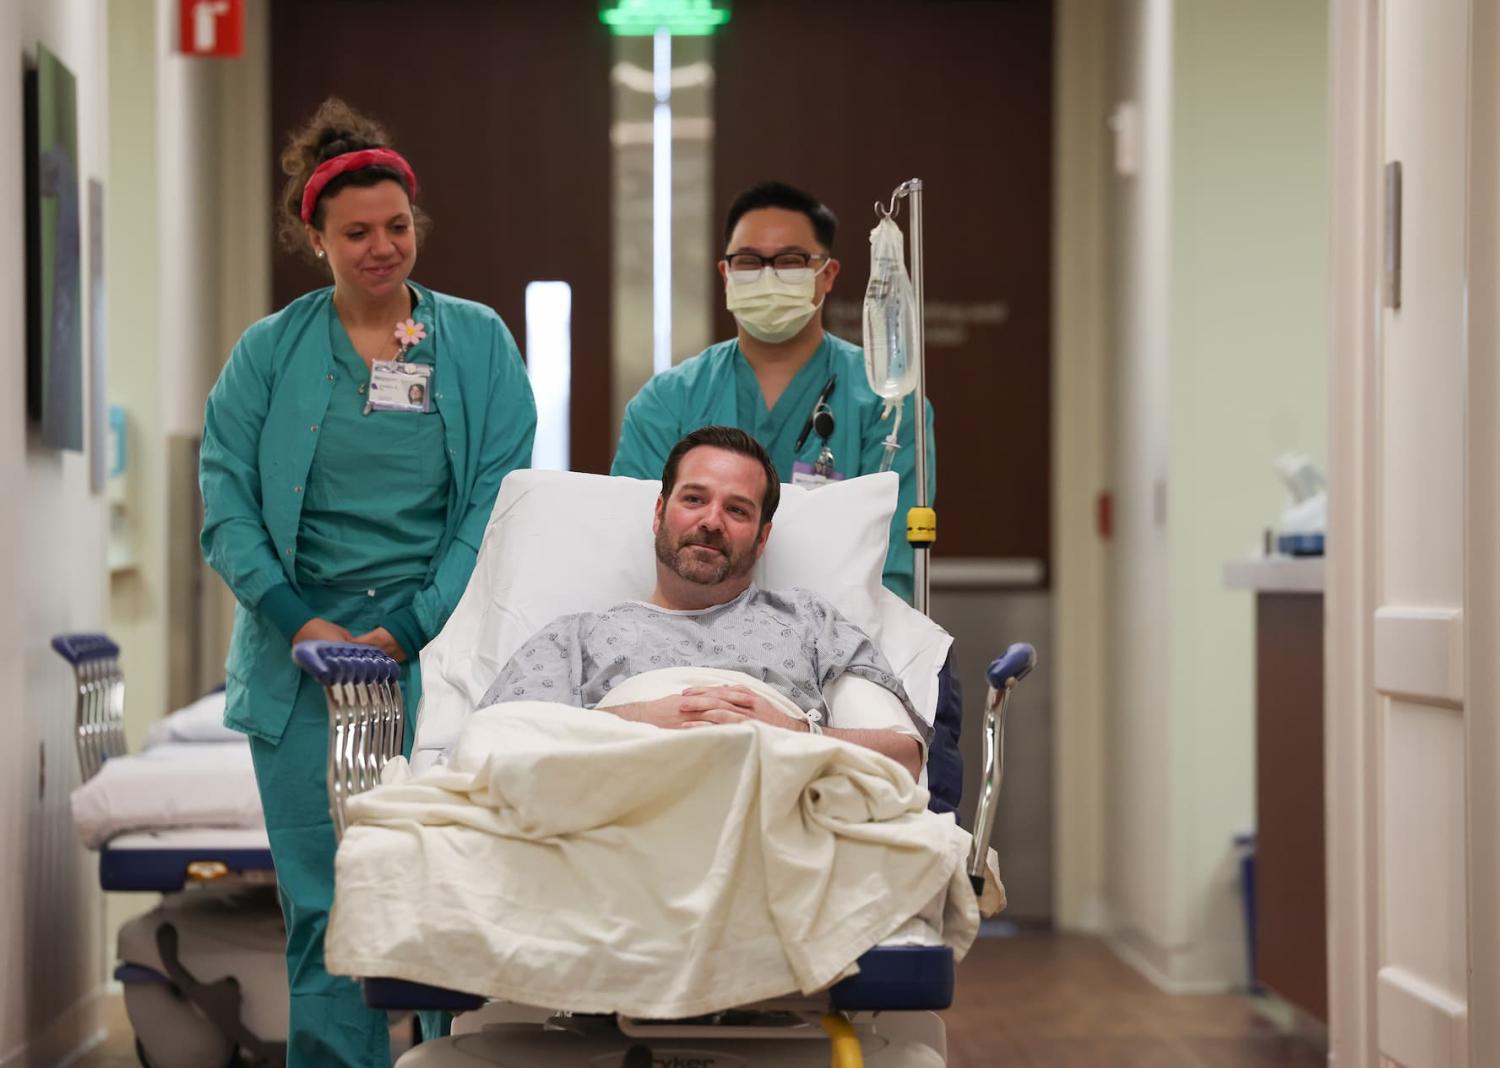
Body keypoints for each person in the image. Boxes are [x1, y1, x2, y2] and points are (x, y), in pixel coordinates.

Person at [199, 98, 536, 1068]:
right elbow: (225, 504)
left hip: (439, 651)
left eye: (397, 227)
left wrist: (417, 626)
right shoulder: (268, 356)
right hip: (298, 659)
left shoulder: (475, 345)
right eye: (356, 234)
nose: (382, 248)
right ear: (316, 239)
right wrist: (295, 621)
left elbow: (495, 502)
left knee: (445, 893)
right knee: (327, 905)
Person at [483, 426, 928, 779]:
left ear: (762, 537)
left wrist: (793, 734)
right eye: (694, 499)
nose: (712, 521)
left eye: (737, 510)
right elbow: (489, 749)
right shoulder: (578, 638)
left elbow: (904, 758)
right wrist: (630, 722)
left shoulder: (809, 624)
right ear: (660, 513)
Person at [611, 180, 936, 606]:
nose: (768, 276)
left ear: (827, 275)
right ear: (726, 274)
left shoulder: (886, 403)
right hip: (685, 640)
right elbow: (639, 546)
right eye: (749, 262)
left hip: (836, 642)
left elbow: (891, 569)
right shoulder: (666, 403)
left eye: (790, 260)